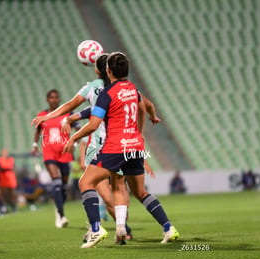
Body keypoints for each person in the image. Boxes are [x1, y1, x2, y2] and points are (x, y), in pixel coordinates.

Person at [32, 54, 158, 242]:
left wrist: (58, 119)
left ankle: (103, 228)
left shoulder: (95, 89)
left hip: (106, 146)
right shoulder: (126, 88)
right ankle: (122, 228)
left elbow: (73, 106)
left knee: (102, 190)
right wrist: (147, 122)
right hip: (120, 145)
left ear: (99, 69)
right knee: (117, 191)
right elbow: (146, 105)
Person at [64, 52, 179, 248]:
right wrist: (140, 131)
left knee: (85, 182)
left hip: (115, 147)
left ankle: (96, 228)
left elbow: (93, 125)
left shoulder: (106, 94)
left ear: (108, 71)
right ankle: (168, 228)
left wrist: (74, 136)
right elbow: (146, 108)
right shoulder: (133, 89)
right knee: (138, 191)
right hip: (134, 147)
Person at [32, 89, 78, 228]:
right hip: (49, 152)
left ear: (59, 99)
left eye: (56, 97)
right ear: (47, 100)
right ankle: (61, 215)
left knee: (63, 187)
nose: (54, 99)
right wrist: (35, 144)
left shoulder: (67, 113)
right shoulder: (42, 115)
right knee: (56, 182)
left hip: (65, 152)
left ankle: (59, 210)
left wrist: (74, 142)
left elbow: (78, 127)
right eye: (51, 97)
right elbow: (38, 130)